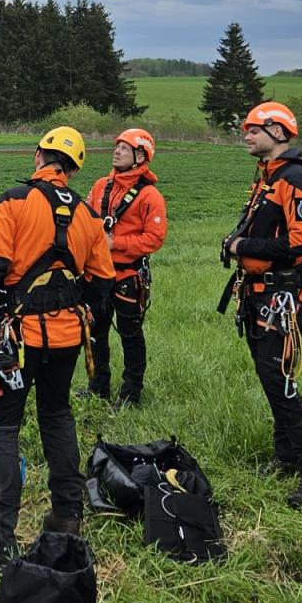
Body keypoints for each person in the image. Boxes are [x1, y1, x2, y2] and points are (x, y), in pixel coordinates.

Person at [0, 127, 115, 571]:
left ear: (39, 156)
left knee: (3, 429)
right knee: (57, 415)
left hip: (18, 340)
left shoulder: (14, 202)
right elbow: (102, 285)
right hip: (66, 336)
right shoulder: (87, 214)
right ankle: (67, 519)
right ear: (74, 168)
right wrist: (94, 334)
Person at [220, 100, 302, 510]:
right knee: (272, 380)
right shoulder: (266, 178)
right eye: (245, 128)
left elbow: (301, 244)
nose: (245, 135)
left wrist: (243, 245)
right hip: (256, 293)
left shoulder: (297, 180)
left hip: (281, 297)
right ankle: (286, 456)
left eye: (253, 129)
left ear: (279, 133)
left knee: (281, 383)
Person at [85, 127, 167, 407]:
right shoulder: (100, 186)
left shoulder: (149, 196)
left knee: (131, 335)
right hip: (97, 274)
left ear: (140, 156)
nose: (116, 150)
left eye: (124, 147)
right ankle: (98, 387)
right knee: (96, 333)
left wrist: (114, 243)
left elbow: (154, 238)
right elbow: (86, 219)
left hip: (128, 276)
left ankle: (132, 392)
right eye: (117, 145)